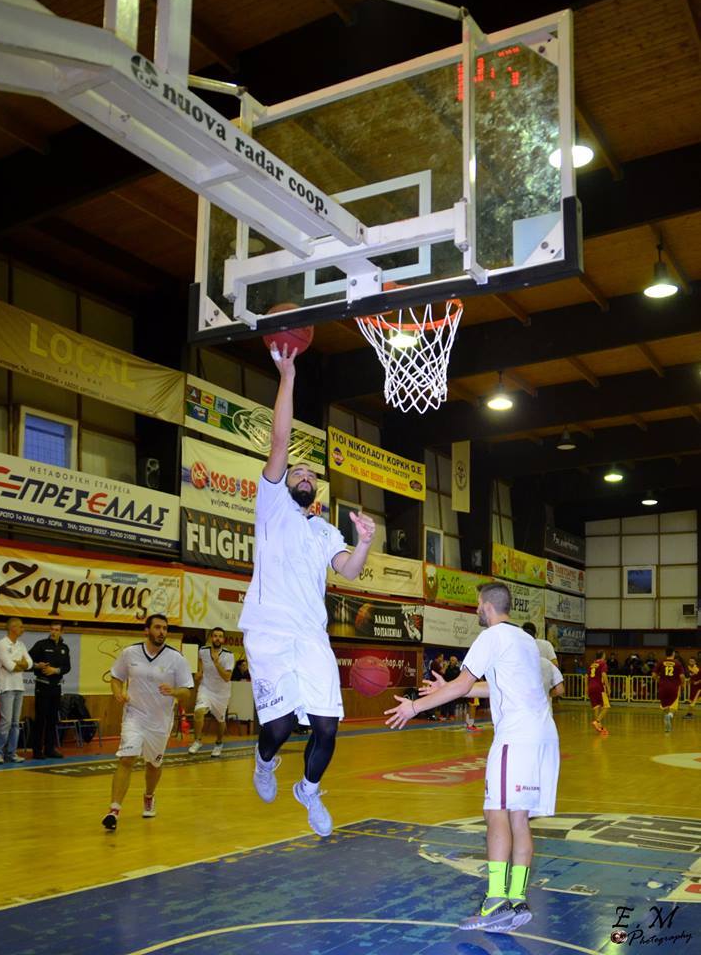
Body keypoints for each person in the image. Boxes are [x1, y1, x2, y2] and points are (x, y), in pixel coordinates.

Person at [239, 340, 376, 838]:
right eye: (296, 470)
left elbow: (349, 571)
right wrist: (288, 376)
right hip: (269, 631)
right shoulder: (271, 506)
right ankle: (264, 761)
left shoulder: (325, 530)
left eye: (309, 473)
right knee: (278, 728)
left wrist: (365, 542)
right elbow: (279, 442)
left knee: (327, 726)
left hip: (311, 635)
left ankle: (309, 790)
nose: (301, 474)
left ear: (315, 489)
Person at [386, 582, 559, 934]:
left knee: (495, 813)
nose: (477, 610)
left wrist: (415, 706)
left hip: (516, 738)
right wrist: (445, 689)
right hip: (543, 736)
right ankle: (516, 899)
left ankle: (495, 901)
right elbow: (496, 686)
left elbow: (463, 684)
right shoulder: (525, 641)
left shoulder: (491, 637)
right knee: (519, 818)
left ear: (487, 606)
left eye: (478, 605)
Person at [102, 614, 193, 830]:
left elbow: (187, 692)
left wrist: (174, 691)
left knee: (153, 764)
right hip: (134, 716)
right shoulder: (130, 653)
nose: (162, 632)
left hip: (160, 721)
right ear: (147, 630)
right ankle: (114, 811)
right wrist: (118, 692)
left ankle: (149, 796)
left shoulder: (176, 658)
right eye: (158, 627)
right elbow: (116, 677)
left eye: (165, 628)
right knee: (126, 759)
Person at [0, 617, 33, 765]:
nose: (23, 629)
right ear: (12, 628)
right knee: (6, 722)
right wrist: (20, 664)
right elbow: (11, 667)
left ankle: (11, 753)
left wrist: (20, 664)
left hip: (19, 686)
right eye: (20, 627)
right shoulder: (1, 644)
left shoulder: (21, 645)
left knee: (15, 723)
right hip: (6, 687)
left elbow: (30, 663)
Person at [188, 626, 234, 758]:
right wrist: (200, 671)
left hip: (221, 693)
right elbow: (200, 660)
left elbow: (227, 677)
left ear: (223, 639)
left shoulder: (229, 655)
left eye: (220, 636)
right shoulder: (203, 651)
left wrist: (216, 662)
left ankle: (219, 743)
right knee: (198, 711)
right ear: (211, 638)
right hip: (206, 688)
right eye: (215, 636)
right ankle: (197, 741)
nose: (217, 638)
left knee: (220, 720)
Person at [29, 621, 71, 759]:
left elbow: (67, 667)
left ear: (62, 632)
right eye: (52, 629)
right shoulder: (41, 645)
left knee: (53, 719)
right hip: (42, 686)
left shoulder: (64, 648)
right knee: (40, 719)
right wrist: (37, 665)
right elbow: (27, 662)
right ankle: (37, 750)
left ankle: (50, 749)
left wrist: (55, 670)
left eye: (57, 630)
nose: (53, 632)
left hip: (56, 687)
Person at [652, 649, 685, 733]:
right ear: (673, 653)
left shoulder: (661, 662)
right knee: (673, 705)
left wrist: (659, 680)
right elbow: (682, 676)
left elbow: (653, 675)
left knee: (665, 705)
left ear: (666, 653)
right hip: (674, 687)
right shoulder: (677, 663)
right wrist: (683, 684)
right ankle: (669, 716)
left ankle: (667, 723)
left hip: (663, 687)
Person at [587, 650, 610, 736]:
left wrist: (586, 688)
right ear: (603, 655)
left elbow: (586, 676)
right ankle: (597, 721)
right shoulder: (603, 663)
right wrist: (608, 687)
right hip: (599, 687)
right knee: (606, 706)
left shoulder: (592, 665)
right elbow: (603, 674)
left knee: (596, 707)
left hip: (591, 687)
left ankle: (599, 727)